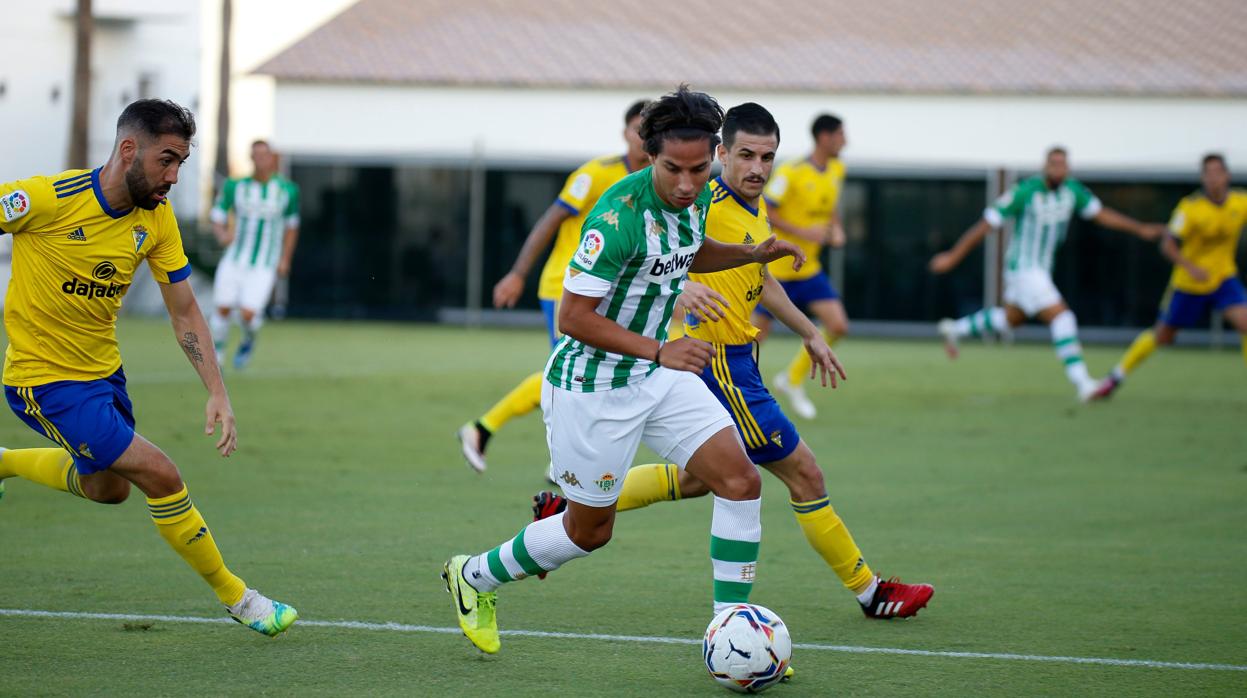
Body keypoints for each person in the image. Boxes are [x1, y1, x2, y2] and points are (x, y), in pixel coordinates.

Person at [532, 103, 934, 621]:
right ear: (720, 153)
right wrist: (685, 294)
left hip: (738, 357)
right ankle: (870, 591)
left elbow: (758, 276)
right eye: (745, 155)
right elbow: (665, 259)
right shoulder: (704, 199)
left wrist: (809, 331)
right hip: (719, 363)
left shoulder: (750, 204)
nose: (757, 168)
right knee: (803, 473)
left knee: (705, 479)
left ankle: (567, 509)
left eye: (767, 157)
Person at [441, 86, 805, 655]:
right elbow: (572, 317)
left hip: (654, 376)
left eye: (697, 168)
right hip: (591, 389)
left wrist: (751, 254)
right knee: (589, 532)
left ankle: (735, 636)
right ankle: (474, 576)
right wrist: (661, 351)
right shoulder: (615, 217)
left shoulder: (699, 195)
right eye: (672, 169)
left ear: (712, 155)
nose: (686, 184)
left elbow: (689, 249)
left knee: (740, 480)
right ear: (648, 153)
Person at [0, 100, 297, 636]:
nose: (174, 176)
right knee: (162, 475)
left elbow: (184, 309)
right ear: (128, 149)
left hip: (103, 375)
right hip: (43, 381)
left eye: (181, 162)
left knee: (108, 490)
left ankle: (2, 463)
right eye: (167, 160)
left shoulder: (155, 221)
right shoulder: (46, 198)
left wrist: (217, 391)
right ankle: (240, 598)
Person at [457, 101, 649, 472]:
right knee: (567, 368)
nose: (642, 138)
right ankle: (484, 430)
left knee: (594, 372)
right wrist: (517, 273)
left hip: (611, 289)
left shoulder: (658, 182)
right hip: (567, 284)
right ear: (624, 133)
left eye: (649, 131)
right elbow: (550, 219)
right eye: (637, 129)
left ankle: (561, 459)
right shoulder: (595, 173)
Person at [929, 147, 1165, 401]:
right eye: (1053, 164)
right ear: (1045, 166)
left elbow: (1102, 215)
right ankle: (1083, 384)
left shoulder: (1073, 191)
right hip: (1023, 268)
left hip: (1040, 270)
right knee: (1062, 317)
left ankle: (955, 329)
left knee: (1012, 319)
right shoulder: (1025, 192)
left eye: (1062, 164)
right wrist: (954, 256)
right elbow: (986, 224)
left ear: (1068, 168)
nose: (1058, 169)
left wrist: (1140, 228)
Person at [1094, 154, 1247, 398]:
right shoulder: (1190, 208)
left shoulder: (1240, 202)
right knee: (1163, 335)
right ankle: (1115, 377)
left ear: (1227, 175)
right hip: (1189, 284)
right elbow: (1167, 245)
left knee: (1245, 323)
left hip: (1223, 278)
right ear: (1203, 178)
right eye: (1208, 173)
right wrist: (1190, 267)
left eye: (1218, 172)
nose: (1213, 178)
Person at [751, 114, 849, 420]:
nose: (845, 141)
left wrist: (837, 228)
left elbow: (830, 205)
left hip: (809, 269)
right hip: (778, 271)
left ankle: (791, 380)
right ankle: (745, 395)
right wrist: (803, 232)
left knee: (838, 325)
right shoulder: (791, 171)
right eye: (841, 135)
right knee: (753, 338)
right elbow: (769, 209)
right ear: (824, 137)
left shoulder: (837, 169)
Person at [209, 139, 300, 369]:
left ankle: (248, 339)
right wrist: (222, 235)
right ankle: (218, 355)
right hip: (235, 258)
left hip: (264, 263)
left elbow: (291, 226)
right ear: (251, 158)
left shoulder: (287, 190)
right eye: (256, 154)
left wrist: (285, 259)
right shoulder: (235, 186)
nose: (260, 159)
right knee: (223, 307)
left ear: (272, 158)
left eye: (264, 154)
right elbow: (218, 215)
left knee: (248, 314)